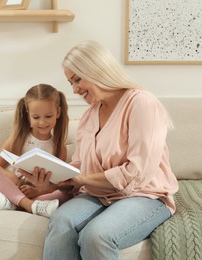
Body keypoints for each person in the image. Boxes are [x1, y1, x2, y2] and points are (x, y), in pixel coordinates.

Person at [20, 41, 179, 259]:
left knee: (96, 235)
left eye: (77, 79)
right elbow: (80, 167)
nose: (74, 89)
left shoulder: (141, 103)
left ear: (97, 69)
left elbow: (137, 174)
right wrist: (54, 178)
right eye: (70, 82)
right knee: (60, 222)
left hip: (144, 195)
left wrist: (82, 179)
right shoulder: (89, 115)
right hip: (99, 194)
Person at [0, 83, 72, 218]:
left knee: (67, 193)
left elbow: (56, 183)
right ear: (28, 115)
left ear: (58, 113)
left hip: (33, 195)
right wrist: (11, 177)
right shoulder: (18, 139)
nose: (42, 122)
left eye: (48, 116)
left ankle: (20, 205)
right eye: (36, 117)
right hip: (3, 193)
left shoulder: (59, 147)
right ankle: (29, 206)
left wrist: (38, 191)